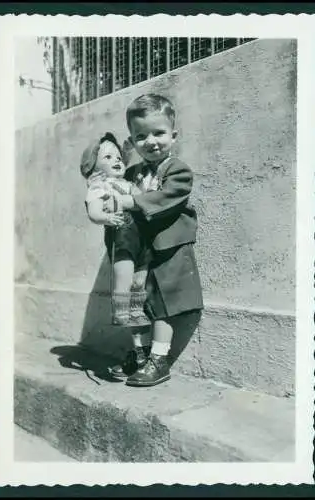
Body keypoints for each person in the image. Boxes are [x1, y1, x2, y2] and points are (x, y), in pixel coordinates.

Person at [105, 94, 204, 387]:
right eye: (141, 136)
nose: (151, 141)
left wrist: (131, 201)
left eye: (159, 133)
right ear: (133, 141)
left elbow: (169, 196)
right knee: (138, 303)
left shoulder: (178, 170)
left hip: (168, 249)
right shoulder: (133, 173)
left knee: (163, 304)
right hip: (142, 250)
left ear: (173, 135)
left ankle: (160, 359)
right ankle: (141, 353)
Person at [80, 132, 151, 327]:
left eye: (118, 157)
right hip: (122, 231)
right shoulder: (100, 186)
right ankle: (121, 312)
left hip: (141, 233)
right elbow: (93, 211)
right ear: (94, 166)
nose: (117, 160)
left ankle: (136, 311)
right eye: (108, 157)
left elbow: (142, 200)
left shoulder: (128, 184)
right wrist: (107, 217)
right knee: (125, 271)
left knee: (140, 276)